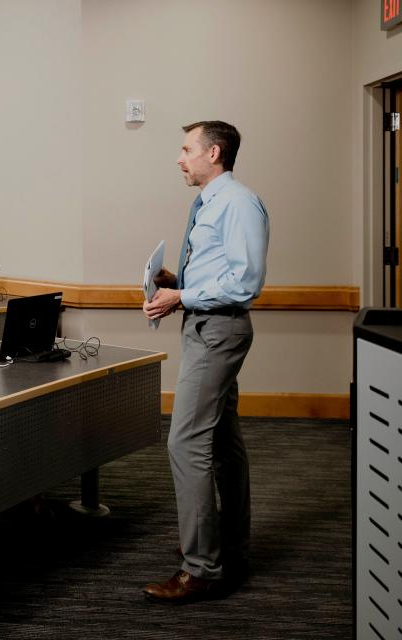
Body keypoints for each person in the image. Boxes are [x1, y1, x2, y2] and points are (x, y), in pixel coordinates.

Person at [142, 121, 269, 604]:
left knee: (185, 442)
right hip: (206, 327)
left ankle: (201, 568)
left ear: (213, 153)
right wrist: (179, 281)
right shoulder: (213, 202)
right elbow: (221, 268)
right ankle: (228, 548)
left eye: (186, 149)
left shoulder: (237, 203)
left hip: (219, 331)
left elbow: (245, 282)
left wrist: (183, 295)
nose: (180, 158)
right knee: (220, 440)